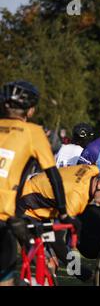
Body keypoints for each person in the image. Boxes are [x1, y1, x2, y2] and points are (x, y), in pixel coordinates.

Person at [0, 81, 73, 286]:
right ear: (31, 110)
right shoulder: (33, 132)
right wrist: (63, 212)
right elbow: (53, 176)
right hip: (4, 215)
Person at [16, 164, 100, 282]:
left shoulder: (93, 170)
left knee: (52, 264)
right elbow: (56, 239)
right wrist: (80, 272)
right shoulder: (75, 198)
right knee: (47, 265)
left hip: (39, 199)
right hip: (24, 207)